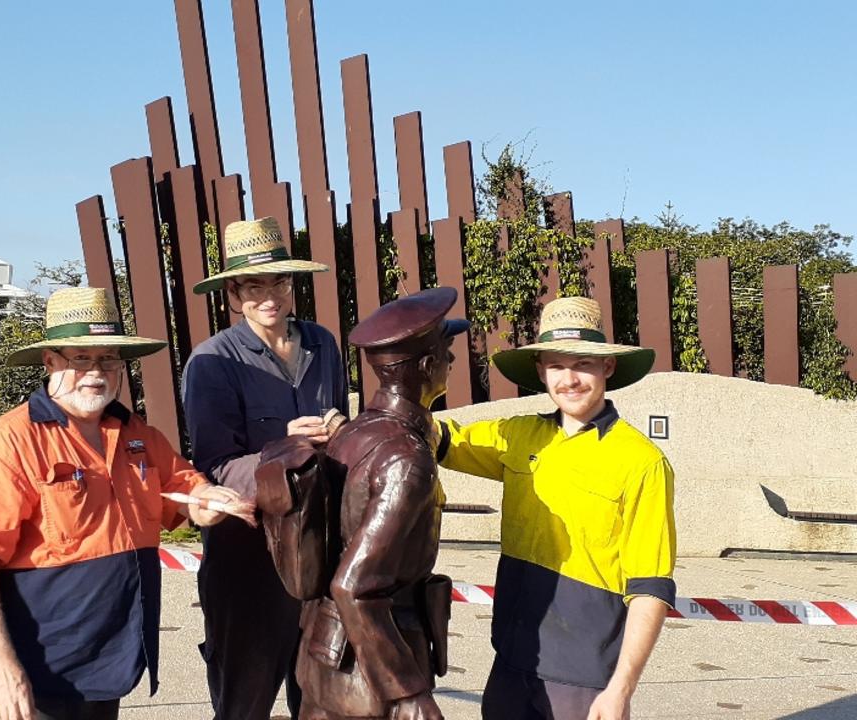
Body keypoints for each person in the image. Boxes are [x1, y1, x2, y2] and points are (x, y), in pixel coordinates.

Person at [0, 286, 255, 720]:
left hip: (108, 667)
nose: (97, 372)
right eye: (80, 359)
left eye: (108, 358)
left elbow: (183, 484)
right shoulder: (12, 439)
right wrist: (2, 668)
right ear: (50, 361)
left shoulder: (135, 433)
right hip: (36, 676)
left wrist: (204, 499)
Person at [433, 296, 677, 720]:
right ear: (541, 371)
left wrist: (620, 689)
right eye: (556, 365)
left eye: (582, 363)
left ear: (608, 367)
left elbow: (650, 588)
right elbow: (439, 439)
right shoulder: (518, 435)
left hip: (584, 680)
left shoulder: (642, 461)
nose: (570, 378)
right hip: (510, 662)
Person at [255, 287, 468, 720]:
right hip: (371, 670)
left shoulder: (355, 432)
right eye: (447, 352)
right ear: (427, 366)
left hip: (325, 653)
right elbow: (354, 586)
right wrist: (407, 694)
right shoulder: (406, 460)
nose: (451, 362)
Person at [182, 217, 348, 719]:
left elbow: (339, 433)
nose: (268, 294)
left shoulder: (323, 344)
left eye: (278, 280)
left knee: (321, 700)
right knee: (243, 702)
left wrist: (345, 430)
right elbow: (214, 468)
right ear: (233, 291)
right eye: (253, 284)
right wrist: (284, 449)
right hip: (248, 555)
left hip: (321, 553)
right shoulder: (212, 362)